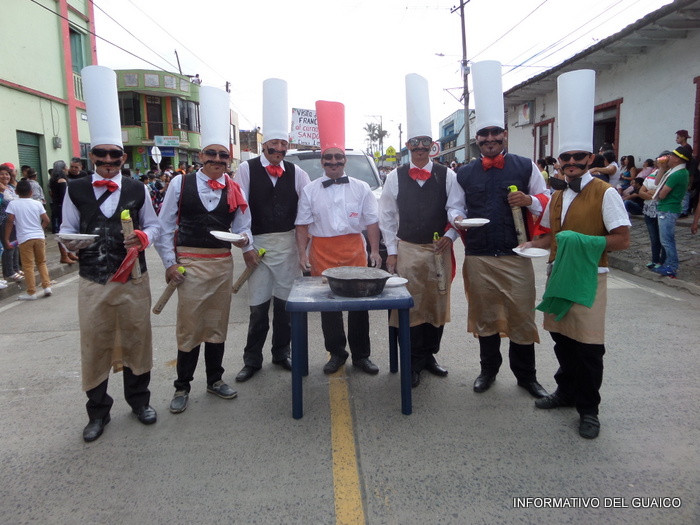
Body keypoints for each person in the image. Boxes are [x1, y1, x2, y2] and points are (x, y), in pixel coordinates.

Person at [526, 69, 630, 439]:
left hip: (589, 277)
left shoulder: (605, 193)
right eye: (565, 157)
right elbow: (552, 237)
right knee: (562, 340)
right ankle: (566, 392)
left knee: (588, 347)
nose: (571, 162)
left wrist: (581, 242)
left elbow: (621, 239)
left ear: (591, 159)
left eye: (578, 157)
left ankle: (589, 410)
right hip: (558, 274)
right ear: (558, 162)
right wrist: (532, 245)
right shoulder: (557, 195)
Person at [60, 65, 161, 442]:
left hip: (134, 279)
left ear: (122, 157)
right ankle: (98, 412)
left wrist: (143, 238)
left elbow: (155, 226)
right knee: (96, 345)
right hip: (93, 280)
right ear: (91, 156)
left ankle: (139, 402)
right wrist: (70, 244)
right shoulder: (75, 189)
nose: (107, 161)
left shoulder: (138, 189)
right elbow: (66, 229)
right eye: (100, 154)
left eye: (114, 155)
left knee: (138, 339)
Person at [447, 60, 549, 399]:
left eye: (495, 133)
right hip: (478, 256)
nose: (489, 139)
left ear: (504, 134)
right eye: (484, 134)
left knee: (522, 317)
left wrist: (528, 200)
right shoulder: (464, 173)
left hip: (516, 255)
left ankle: (526, 377)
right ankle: (487, 371)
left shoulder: (525, 165)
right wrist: (457, 219)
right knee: (485, 317)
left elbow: (546, 200)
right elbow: (455, 206)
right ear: (477, 138)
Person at [155, 85, 251, 414]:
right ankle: (182, 386)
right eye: (211, 154)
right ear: (201, 156)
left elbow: (244, 226)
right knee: (189, 326)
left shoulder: (234, 188)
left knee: (216, 324)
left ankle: (215, 380)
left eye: (223, 156)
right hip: (189, 265)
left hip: (222, 264)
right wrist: (170, 264)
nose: (217, 160)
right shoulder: (180, 183)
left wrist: (244, 241)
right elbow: (165, 227)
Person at [379, 74, 458, 388]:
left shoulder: (447, 175)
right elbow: (387, 217)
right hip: (409, 249)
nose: (421, 148)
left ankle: (429, 356)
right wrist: (392, 253)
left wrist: (451, 236)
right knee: (409, 309)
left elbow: (457, 210)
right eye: (415, 143)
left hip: (439, 251)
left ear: (433, 145)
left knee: (437, 306)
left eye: (426, 142)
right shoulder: (395, 176)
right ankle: (411, 362)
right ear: (408, 145)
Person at [295, 100, 382, 376]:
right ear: (322, 161)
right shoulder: (310, 190)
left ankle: (362, 356)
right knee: (328, 308)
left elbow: (372, 222)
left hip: (354, 250)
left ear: (345, 161)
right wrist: (301, 253)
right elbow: (302, 225)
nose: (333, 162)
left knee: (359, 307)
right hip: (322, 251)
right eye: (328, 158)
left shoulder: (362, 187)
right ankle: (336, 353)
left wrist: (375, 251)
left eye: (338, 158)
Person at [233, 79, 311, 382]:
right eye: (274, 144)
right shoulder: (246, 169)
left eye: (283, 144)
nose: (279, 149)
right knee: (257, 307)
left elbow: (306, 210)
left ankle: (281, 353)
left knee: (284, 306)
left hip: (288, 245)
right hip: (259, 245)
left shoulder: (297, 172)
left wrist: (305, 248)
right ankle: (252, 359)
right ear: (263, 145)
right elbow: (241, 210)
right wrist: (246, 246)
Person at [3, 180, 51, 300]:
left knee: (28, 265)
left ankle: (31, 292)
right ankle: (47, 286)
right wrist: (40, 229)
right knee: (41, 262)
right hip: (39, 236)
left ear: (16, 192)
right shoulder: (37, 203)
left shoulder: (13, 204)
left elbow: (10, 221)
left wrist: (7, 238)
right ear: (31, 192)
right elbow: (46, 220)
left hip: (24, 238)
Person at [650, 144, 691, 278]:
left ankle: (672, 266)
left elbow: (662, 194)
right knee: (666, 240)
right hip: (667, 208)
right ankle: (668, 264)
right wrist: (662, 168)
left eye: (672, 155)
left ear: (678, 159)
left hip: (668, 209)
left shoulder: (677, 174)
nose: (669, 157)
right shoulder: (675, 171)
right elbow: (657, 182)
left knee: (667, 240)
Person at [638, 153, 669, 268]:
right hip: (649, 209)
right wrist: (653, 194)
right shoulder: (652, 174)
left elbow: (663, 193)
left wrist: (651, 193)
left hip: (662, 209)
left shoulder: (669, 175)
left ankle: (663, 261)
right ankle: (655, 260)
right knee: (654, 237)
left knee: (663, 237)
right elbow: (641, 192)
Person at [0, 163, 23, 282]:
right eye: (2, 174)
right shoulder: (2, 189)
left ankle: (15, 268)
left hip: (14, 221)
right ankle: (9, 272)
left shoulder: (10, 188)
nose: (5, 176)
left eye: (7, 174)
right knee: (8, 246)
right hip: (4, 221)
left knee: (15, 245)